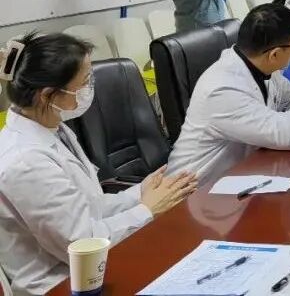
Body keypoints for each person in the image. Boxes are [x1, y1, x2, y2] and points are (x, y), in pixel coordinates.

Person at [0, 33, 196, 295]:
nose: (90, 89)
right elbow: (82, 244)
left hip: (91, 271)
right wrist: (148, 210)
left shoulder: (52, 128)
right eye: (84, 83)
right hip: (59, 285)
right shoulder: (25, 162)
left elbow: (89, 206)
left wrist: (140, 192)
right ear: (47, 95)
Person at [167, 4, 290, 183]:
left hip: (238, 177)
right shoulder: (223, 89)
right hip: (194, 193)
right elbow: (285, 135)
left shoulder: (259, 66)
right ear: (274, 54)